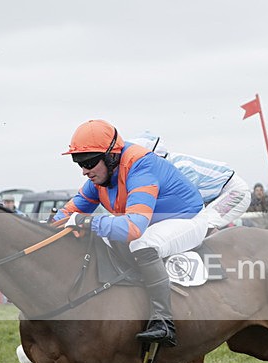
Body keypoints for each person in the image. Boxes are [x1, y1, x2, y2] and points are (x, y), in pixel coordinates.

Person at [54, 119, 206, 346]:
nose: (85, 171)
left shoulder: (140, 167)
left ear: (111, 155)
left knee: (141, 244)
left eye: (89, 162)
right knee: (103, 236)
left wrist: (86, 222)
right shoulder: (99, 177)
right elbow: (66, 214)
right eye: (79, 163)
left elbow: (133, 229)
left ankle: (164, 322)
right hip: (152, 223)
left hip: (187, 219)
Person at [127, 132, 251, 228]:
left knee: (202, 226)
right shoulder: (164, 167)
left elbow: (187, 206)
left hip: (235, 192)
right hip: (217, 193)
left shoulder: (180, 167)